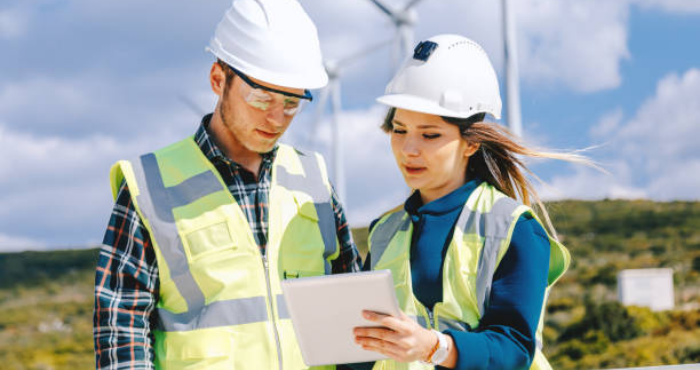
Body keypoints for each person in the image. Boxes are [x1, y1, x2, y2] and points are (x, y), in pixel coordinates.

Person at [93, 0, 361, 369]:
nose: (276, 117)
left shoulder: (313, 179)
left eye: (291, 103)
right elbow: (121, 328)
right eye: (261, 97)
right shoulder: (149, 185)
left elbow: (350, 309)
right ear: (219, 79)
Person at [351, 34, 589, 370]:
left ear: (471, 143)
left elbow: (515, 347)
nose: (409, 149)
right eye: (399, 129)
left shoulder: (514, 229)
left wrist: (434, 347)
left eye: (430, 134)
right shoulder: (383, 233)